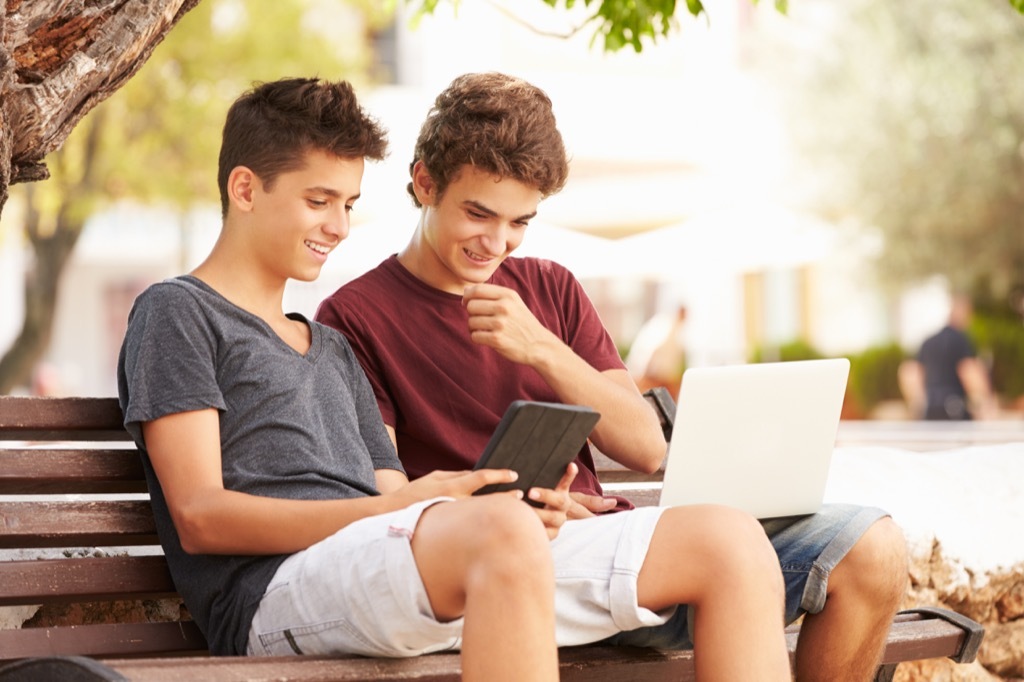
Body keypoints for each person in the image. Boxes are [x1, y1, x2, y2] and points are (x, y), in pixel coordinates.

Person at [117, 76, 794, 681]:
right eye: (320, 200)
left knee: (728, 540)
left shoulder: (329, 346)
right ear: (245, 189)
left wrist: (485, 508)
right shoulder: (179, 312)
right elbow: (201, 518)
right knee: (499, 531)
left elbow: (392, 499)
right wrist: (418, 512)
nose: (339, 226)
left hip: (375, 566)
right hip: (270, 593)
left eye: (349, 203)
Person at [315, 71, 909, 681]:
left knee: (874, 549)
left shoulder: (550, 287)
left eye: (520, 222)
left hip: (623, 547)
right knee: (726, 547)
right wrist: (539, 511)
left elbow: (645, 447)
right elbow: (387, 506)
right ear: (424, 182)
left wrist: (543, 348)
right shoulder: (353, 317)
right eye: (478, 214)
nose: (496, 242)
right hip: (516, 565)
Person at [898, 294, 997, 420]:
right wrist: (986, 403)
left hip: (930, 409)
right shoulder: (962, 340)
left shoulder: (929, 341)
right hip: (955, 409)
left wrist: (919, 403)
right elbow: (969, 371)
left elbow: (910, 372)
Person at [625, 303, 689, 399]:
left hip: (661, 378)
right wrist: (643, 374)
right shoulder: (665, 326)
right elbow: (651, 350)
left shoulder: (676, 329)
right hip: (650, 375)